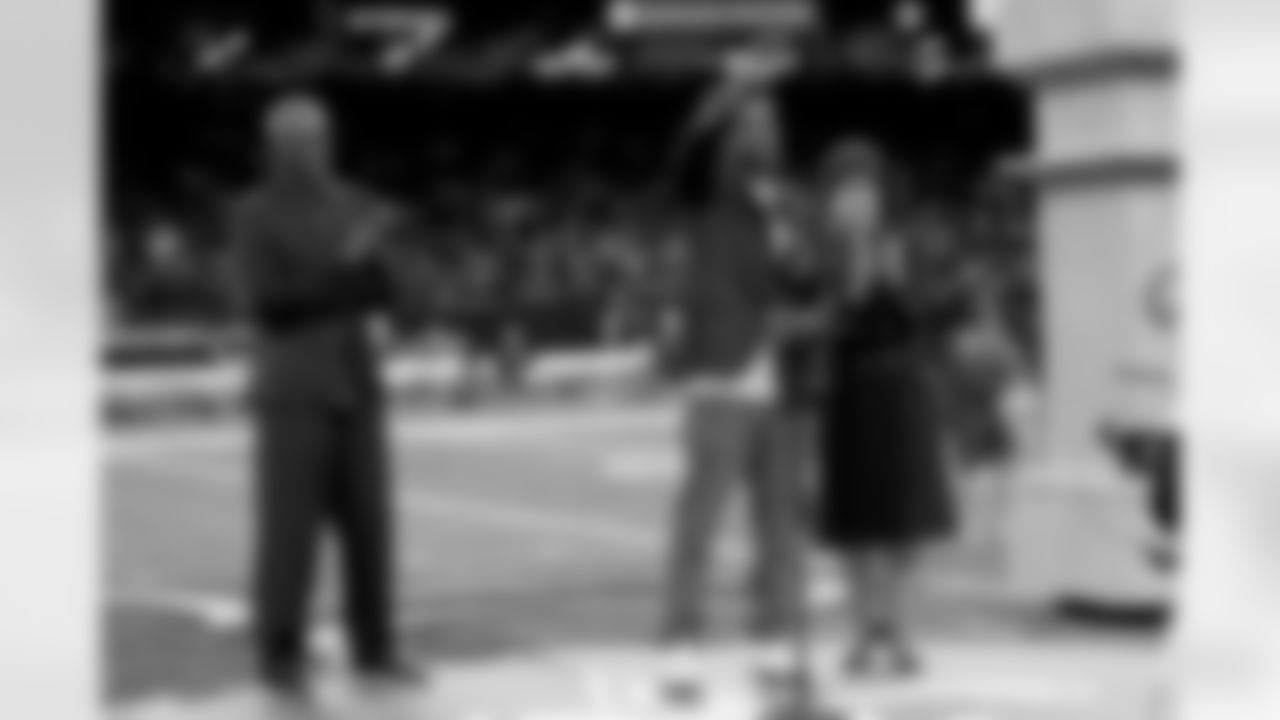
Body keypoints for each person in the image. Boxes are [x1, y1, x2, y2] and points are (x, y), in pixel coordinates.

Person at [228, 94, 423, 702]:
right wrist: (350, 278)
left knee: (371, 526)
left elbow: (390, 289)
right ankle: (280, 656)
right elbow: (270, 305)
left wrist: (377, 275)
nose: (313, 148)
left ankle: (377, 648)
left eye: (319, 136)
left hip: (358, 385)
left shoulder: (358, 204)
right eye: (298, 139)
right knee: (288, 534)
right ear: (274, 147)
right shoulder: (252, 213)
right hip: (292, 392)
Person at [660, 79, 804, 643]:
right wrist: (722, 100)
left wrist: (802, 290)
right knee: (702, 515)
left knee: (781, 520)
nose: (763, 131)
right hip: (723, 374)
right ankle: (683, 621)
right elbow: (689, 155)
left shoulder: (787, 202)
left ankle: (779, 620)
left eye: (771, 121)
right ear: (729, 132)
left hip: (781, 376)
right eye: (749, 122)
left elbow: (802, 281)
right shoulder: (709, 190)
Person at [813, 140, 957, 677]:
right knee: (855, 525)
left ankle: (894, 625)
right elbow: (836, 314)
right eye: (846, 188)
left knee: (907, 522)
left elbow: (925, 313)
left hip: (903, 391)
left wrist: (891, 269)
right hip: (848, 394)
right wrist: (855, 258)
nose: (857, 198)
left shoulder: (907, 245)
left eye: (865, 187)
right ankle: (861, 630)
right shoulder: (821, 252)